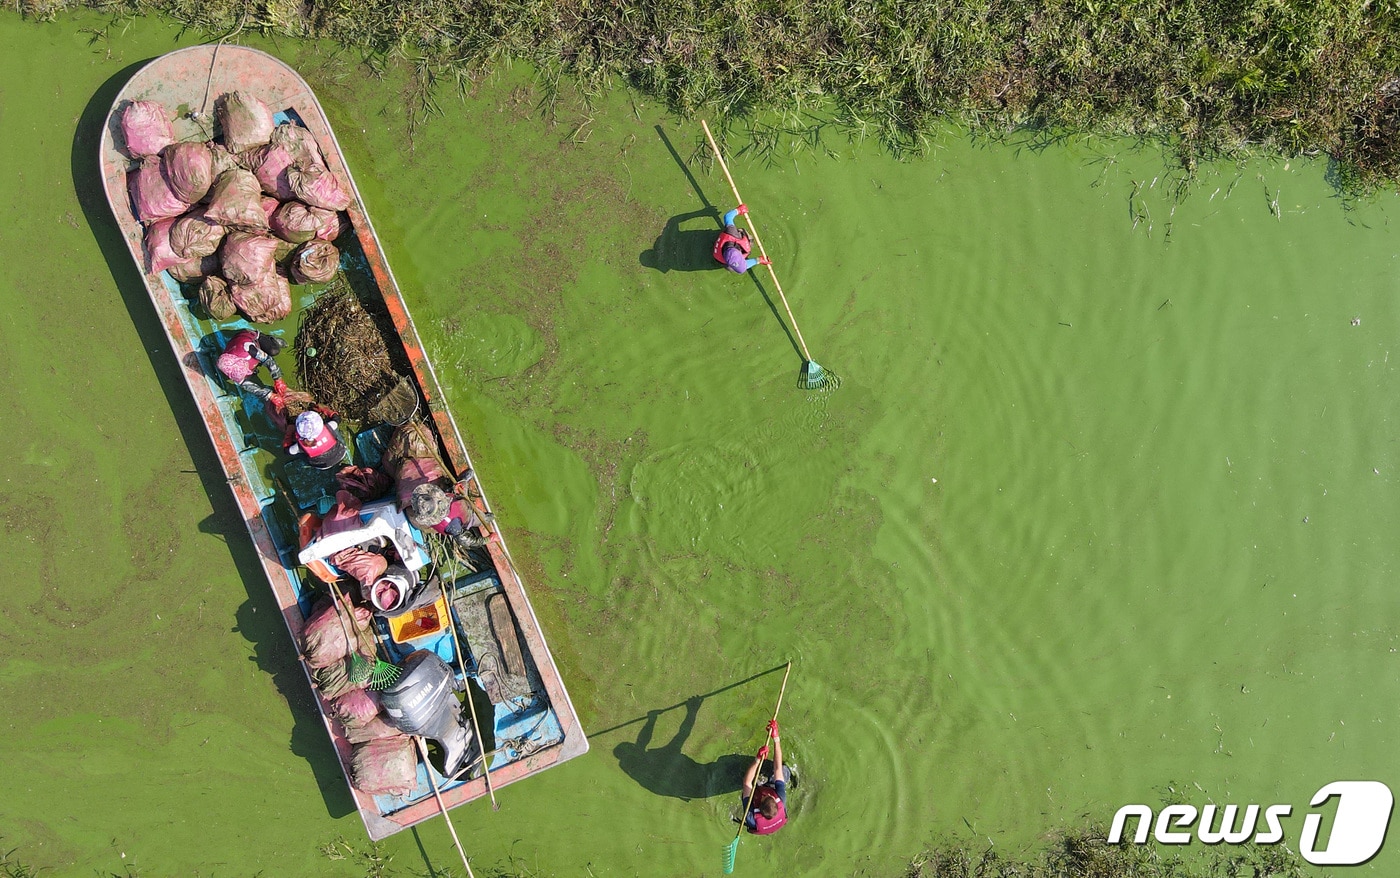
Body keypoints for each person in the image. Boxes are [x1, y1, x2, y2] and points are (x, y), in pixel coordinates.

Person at [741, 718, 788, 834]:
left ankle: (755, 790)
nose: (767, 794)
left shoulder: (751, 817)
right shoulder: (781, 799)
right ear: (774, 798)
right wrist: (776, 738)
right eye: (768, 795)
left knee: (749, 784)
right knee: (783, 771)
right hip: (771, 817)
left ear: (758, 806)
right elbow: (777, 768)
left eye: (764, 796)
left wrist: (757, 759)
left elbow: (747, 782)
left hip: (760, 823)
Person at [407, 482, 489, 549]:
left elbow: (447, 495)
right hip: (470, 516)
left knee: (465, 478)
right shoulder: (452, 525)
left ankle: (466, 494)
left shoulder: (434, 496)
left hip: (460, 500)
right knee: (484, 518)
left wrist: (455, 488)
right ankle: (487, 518)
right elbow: (467, 542)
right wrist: (488, 539)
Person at [216, 329, 287, 401]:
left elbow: (268, 360)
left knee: (273, 350)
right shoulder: (231, 370)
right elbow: (244, 383)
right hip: (241, 354)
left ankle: (272, 340)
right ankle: (253, 365)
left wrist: (278, 379)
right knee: (249, 376)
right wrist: (270, 396)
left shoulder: (249, 349)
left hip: (252, 339)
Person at [713, 204, 772, 274]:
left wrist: (738, 210)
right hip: (725, 251)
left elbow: (728, 216)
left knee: (749, 242)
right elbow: (727, 217)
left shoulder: (731, 233)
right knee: (748, 244)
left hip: (724, 248)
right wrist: (758, 260)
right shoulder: (731, 234)